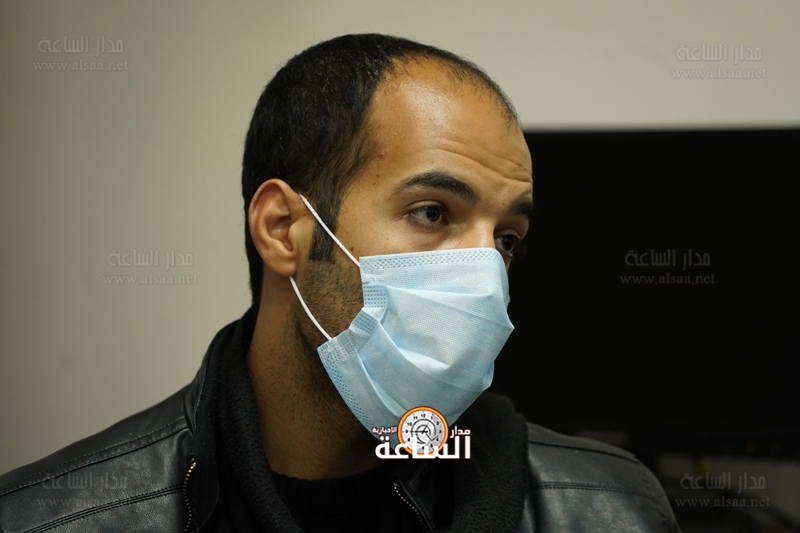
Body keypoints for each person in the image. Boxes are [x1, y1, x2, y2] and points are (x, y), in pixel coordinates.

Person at [0, 33, 679, 532]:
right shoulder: (60, 516)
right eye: (433, 212)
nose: (486, 277)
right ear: (282, 229)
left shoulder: (611, 508)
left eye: (506, 238)